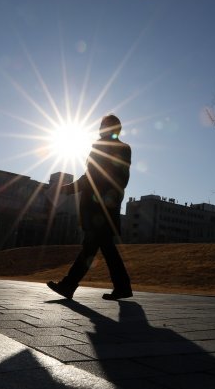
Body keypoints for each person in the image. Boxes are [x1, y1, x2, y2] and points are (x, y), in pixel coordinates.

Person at [48, 115, 133, 300]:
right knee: (102, 249)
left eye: (103, 126)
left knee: (92, 248)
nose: (100, 129)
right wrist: (68, 190)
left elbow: (103, 178)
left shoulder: (112, 148)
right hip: (101, 209)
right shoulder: (113, 148)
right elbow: (91, 177)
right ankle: (122, 287)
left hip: (100, 210)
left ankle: (69, 285)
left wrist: (69, 190)